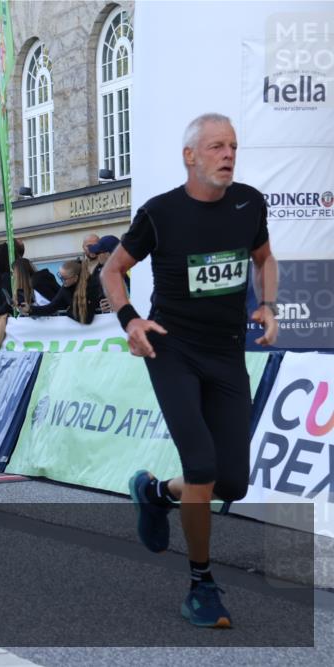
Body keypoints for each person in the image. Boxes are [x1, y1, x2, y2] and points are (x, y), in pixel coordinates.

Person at [101, 113, 278, 629]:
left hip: (226, 352)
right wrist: (131, 320)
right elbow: (113, 270)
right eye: (218, 147)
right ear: (191, 156)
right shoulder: (160, 213)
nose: (228, 155)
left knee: (233, 483)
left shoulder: (249, 204)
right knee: (201, 467)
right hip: (172, 350)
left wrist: (268, 303)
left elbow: (265, 258)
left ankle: (154, 493)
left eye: (234, 147)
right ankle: (201, 585)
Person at [19, 259, 95, 323]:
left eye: (65, 278)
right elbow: (51, 307)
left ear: (75, 278)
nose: (62, 281)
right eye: (60, 277)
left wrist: (68, 312)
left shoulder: (91, 286)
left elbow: (87, 318)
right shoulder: (65, 289)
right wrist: (30, 309)